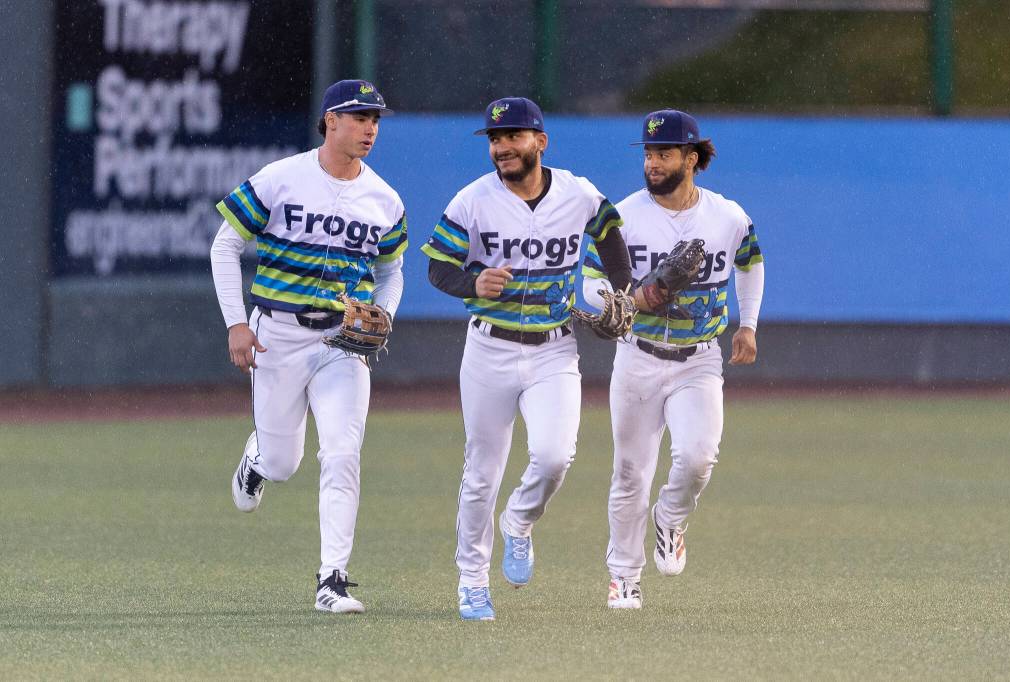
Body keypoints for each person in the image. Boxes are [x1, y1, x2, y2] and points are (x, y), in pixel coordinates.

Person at [422, 97, 634, 621]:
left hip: (554, 349)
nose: (502, 147)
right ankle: (472, 581)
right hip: (489, 348)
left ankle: (518, 522)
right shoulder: (472, 201)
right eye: (495, 139)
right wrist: (474, 281)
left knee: (555, 455)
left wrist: (623, 290)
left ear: (540, 142)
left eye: (513, 137)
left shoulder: (577, 193)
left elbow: (609, 232)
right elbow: (437, 268)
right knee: (481, 474)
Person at [209, 79, 408, 614]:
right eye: (360, 117)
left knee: (342, 452)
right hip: (276, 335)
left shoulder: (384, 199)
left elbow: (391, 271)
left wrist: (384, 312)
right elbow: (225, 244)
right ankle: (257, 459)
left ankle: (332, 580)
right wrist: (236, 324)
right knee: (283, 463)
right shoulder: (283, 177)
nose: (370, 128)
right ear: (330, 121)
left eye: (376, 119)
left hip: (341, 342)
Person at [581, 109, 764, 609]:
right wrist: (636, 298)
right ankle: (623, 575)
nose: (653, 162)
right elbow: (590, 284)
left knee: (698, 458)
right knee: (630, 472)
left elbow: (750, 261)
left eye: (663, 153)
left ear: (691, 158)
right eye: (648, 153)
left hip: (698, 359)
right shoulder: (624, 216)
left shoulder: (727, 217)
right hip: (637, 356)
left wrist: (747, 323)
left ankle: (672, 516)